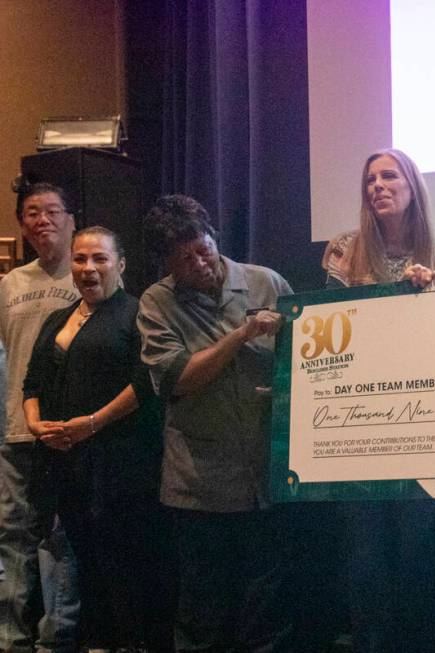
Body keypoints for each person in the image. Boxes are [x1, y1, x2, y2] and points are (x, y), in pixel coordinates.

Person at [136, 195, 295, 653]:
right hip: (201, 487)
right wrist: (241, 335)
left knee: (266, 613)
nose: (199, 262)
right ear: (166, 264)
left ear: (213, 236)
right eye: (184, 259)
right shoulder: (157, 303)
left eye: (202, 248)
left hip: (269, 477)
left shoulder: (265, 282)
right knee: (203, 616)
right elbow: (179, 380)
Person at [322, 148, 435, 653]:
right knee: (364, 553)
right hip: (359, 421)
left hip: (421, 419)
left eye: (388, 176)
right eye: (370, 179)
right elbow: (333, 324)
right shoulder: (343, 249)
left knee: (417, 550)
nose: (377, 186)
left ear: (412, 186)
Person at [22, 226, 174, 653]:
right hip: (65, 465)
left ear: (120, 265)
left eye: (99, 259)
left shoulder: (138, 312)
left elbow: (145, 380)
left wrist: (92, 422)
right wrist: (36, 425)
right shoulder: (58, 317)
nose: (89, 268)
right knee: (87, 562)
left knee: (126, 562)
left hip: (122, 464)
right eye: (80, 259)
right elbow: (32, 383)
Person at [0, 183, 80, 653]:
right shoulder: (9, 285)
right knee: (13, 537)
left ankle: (59, 636)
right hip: (15, 432)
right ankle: (11, 637)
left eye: (53, 211)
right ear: (22, 224)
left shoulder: (89, 273)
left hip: (71, 433)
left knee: (64, 539)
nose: (42, 219)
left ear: (71, 220)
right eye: (32, 213)